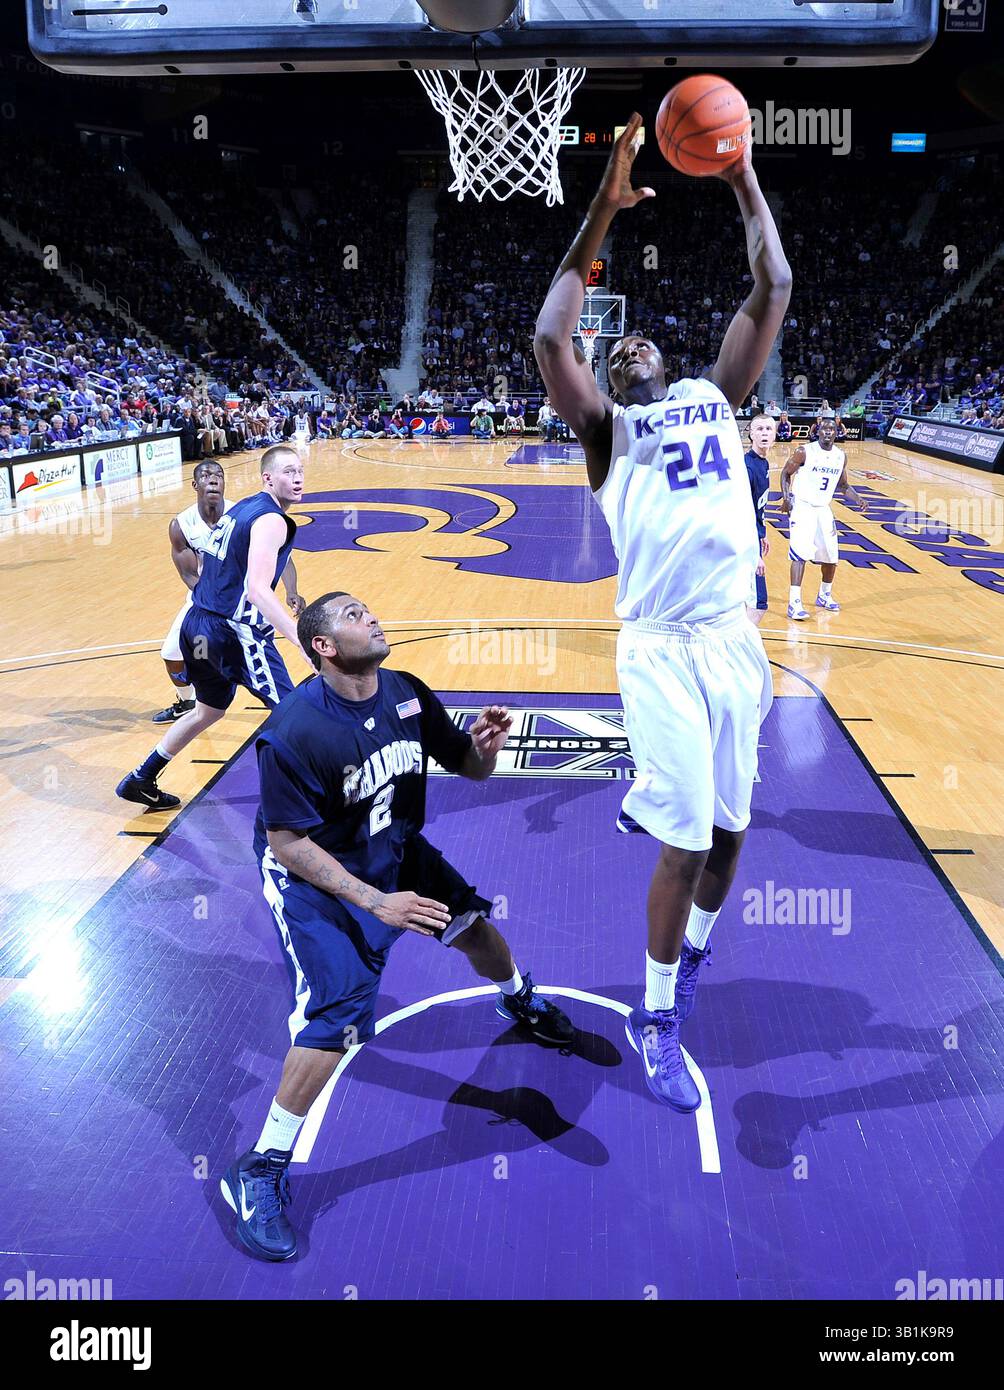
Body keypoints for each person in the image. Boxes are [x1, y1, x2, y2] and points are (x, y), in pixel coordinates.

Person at [533, 115, 786, 1112]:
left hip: (734, 643)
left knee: (730, 838)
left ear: (664, 355)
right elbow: (550, 334)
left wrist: (742, 177)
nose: (624, 345)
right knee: (683, 841)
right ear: (606, 375)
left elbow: (772, 289)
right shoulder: (606, 431)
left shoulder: (716, 398)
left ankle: (689, 963)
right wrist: (602, 205)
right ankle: (653, 1016)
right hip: (660, 655)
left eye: (639, 338)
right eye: (614, 345)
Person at [220, 591, 573, 1261]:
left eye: (367, 610)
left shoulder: (406, 694)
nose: (372, 616)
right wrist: (375, 903)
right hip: (318, 878)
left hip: (394, 849)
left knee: (471, 925)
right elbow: (290, 843)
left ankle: (517, 997)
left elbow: (468, 768)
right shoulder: (297, 729)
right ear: (323, 646)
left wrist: (486, 748)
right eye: (354, 615)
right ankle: (261, 1165)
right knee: (339, 1014)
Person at [115, 446, 310, 810]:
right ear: (268, 477)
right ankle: (307, 801)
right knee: (294, 711)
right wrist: (300, 640)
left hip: (196, 624)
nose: (297, 478)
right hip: (232, 631)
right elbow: (256, 590)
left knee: (208, 710)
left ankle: (141, 778)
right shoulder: (271, 520)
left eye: (299, 471)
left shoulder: (243, 507)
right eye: (288, 472)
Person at [781, 416, 863, 619]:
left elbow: (842, 485)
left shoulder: (840, 456)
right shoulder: (804, 451)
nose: (828, 432)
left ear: (837, 432)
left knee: (831, 556)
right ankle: (794, 603)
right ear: (817, 431)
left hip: (823, 509)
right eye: (824, 429)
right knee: (800, 554)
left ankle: (824, 595)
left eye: (832, 429)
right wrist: (787, 498)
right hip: (803, 506)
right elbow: (785, 473)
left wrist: (858, 498)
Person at [744, 414, 775, 625]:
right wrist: (754, 553)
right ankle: (737, 650)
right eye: (760, 429)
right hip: (743, 541)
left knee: (744, 601)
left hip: (753, 537)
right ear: (751, 434)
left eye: (768, 429)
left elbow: (756, 507)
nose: (764, 433)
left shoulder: (762, 463)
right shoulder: (747, 467)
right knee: (758, 603)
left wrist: (762, 533)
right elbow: (741, 511)